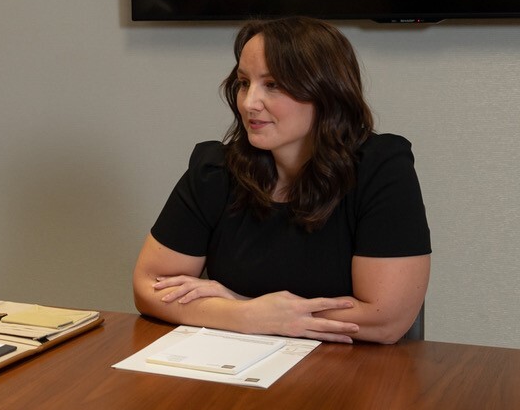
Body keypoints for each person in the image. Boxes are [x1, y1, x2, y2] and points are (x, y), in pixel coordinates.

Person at [132, 17, 431, 344]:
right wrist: (246, 315)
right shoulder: (215, 170)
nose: (249, 103)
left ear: (326, 91)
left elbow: (385, 321)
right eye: (244, 83)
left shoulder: (381, 168)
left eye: (272, 84)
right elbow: (149, 288)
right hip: (241, 363)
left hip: (354, 367)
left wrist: (246, 306)